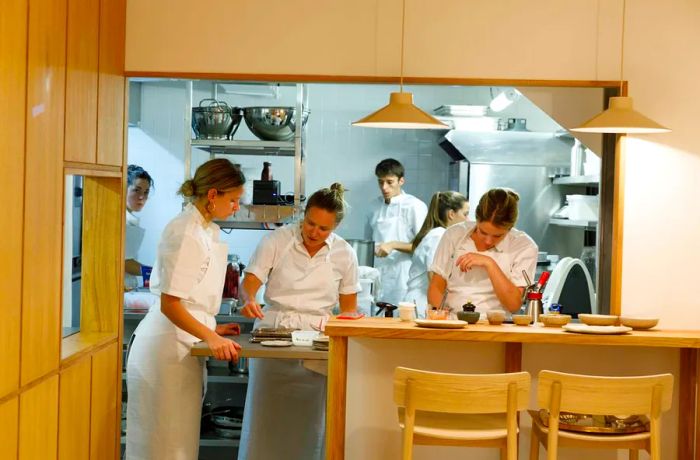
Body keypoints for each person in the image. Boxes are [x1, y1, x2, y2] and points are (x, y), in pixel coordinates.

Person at [125, 159, 245, 460]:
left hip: (182, 344)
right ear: (213, 195)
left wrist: (210, 327)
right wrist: (211, 336)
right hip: (164, 351)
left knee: (178, 447)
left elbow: (188, 296)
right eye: (233, 200)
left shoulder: (205, 229)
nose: (236, 207)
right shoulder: (186, 232)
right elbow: (170, 302)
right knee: (161, 448)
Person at [237, 183, 360, 460]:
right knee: (266, 418)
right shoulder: (278, 240)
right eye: (310, 223)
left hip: (316, 343)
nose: (314, 232)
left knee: (311, 423)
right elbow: (250, 284)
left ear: (336, 227)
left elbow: (349, 311)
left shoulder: (344, 253)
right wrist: (248, 300)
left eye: (323, 229)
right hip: (272, 336)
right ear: (303, 215)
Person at [427, 188, 537, 317]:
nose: (488, 241)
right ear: (476, 219)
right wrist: (440, 319)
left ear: (510, 228)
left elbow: (513, 305)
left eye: (498, 236)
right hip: (453, 322)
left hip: (497, 325)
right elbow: (436, 287)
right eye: (483, 232)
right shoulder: (454, 234)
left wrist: (489, 263)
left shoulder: (524, 246)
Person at [365, 158, 427, 305]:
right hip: (377, 275)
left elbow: (422, 247)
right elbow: (367, 244)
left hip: (404, 276)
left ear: (401, 181)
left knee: (400, 318)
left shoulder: (415, 206)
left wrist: (392, 245)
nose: (384, 187)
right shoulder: (373, 207)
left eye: (389, 182)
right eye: (380, 182)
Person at [404, 191, 468, 317]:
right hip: (422, 305)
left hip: (424, 304)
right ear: (451, 214)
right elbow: (433, 275)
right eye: (465, 214)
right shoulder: (438, 236)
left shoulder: (439, 234)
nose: (468, 219)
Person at [125, 164, 154, 290]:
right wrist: (153, 273)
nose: (142, 197)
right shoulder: (122, 221)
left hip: (127, 286)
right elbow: (125, 263)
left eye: (146, 192)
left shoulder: (129, 219)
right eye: (136, 190)